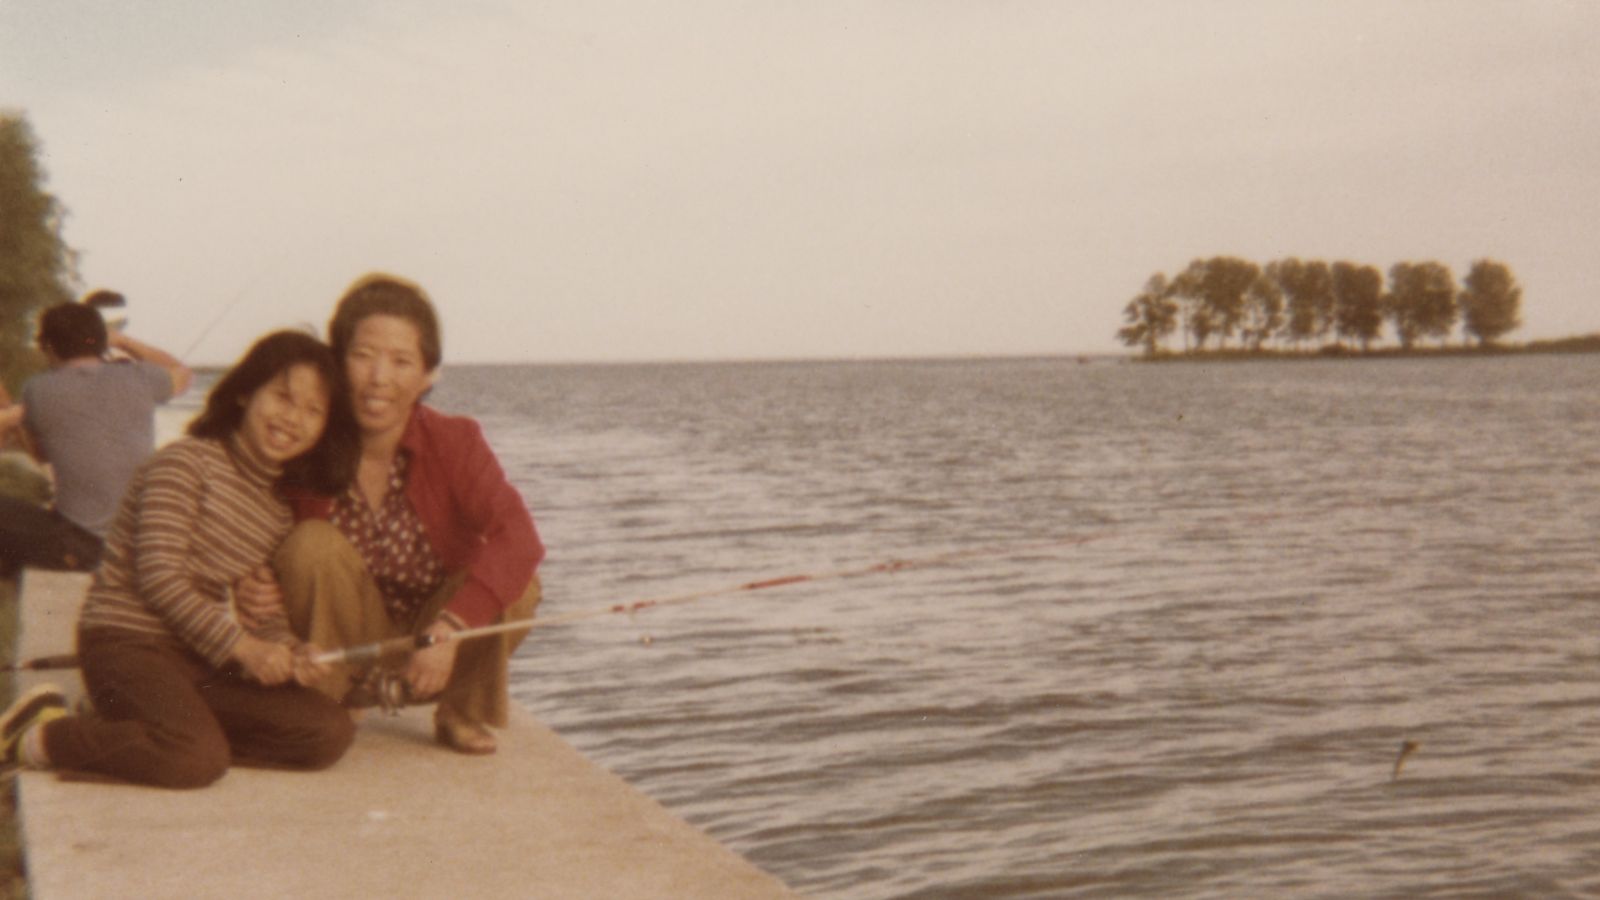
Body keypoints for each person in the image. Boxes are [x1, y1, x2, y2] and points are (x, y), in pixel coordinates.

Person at [0, 330, 360, 788]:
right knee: (194, 759)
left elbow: (258, 613)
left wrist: (290, 649)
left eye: (313, 411)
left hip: (197, 659)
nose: (293, 418)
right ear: (246, 391)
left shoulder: (277, 510)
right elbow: (159, 576)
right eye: (284, 397)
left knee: (327, 732)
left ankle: (147, 726)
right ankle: (40, 735)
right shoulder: (186, 463)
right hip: (126, 642)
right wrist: (244, 649)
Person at [239, 274, 544, 755]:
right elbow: (250, 521)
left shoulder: (456, 440)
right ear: (337, 362)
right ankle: (333, 699)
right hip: (344, 640)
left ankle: (460, 709)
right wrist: (252, 578)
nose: (379, 378)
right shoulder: (308, 439)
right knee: (309, 543)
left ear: (428, 375)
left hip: (435, 637)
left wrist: (451, 628)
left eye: (402, 361)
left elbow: (521, 539)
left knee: (521, 583)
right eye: (363, 356)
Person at [0, 296, 192, 572]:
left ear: (48, 347)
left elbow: (40, 454)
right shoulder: (141, 377)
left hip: (84, 548)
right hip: (141, 541)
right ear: (100, 341)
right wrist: (124, 342)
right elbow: (182, 372)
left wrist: (8, 412)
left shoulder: (38, 389)